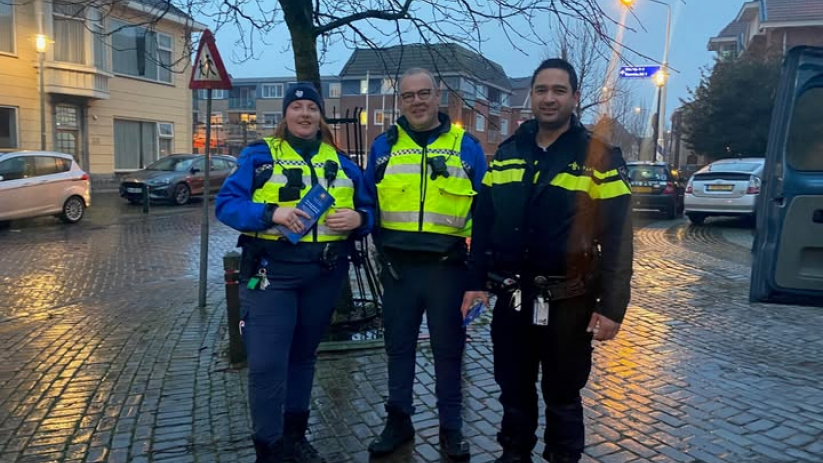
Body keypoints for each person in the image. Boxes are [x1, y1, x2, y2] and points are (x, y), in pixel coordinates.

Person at [461, 58, 633, 463]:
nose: (549, 98)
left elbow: (619, 239)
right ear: (531, 96)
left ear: (574, 98)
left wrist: (612, 308)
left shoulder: (598, 157)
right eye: (541, 90)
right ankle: (514, 455)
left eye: (559, 90)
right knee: (513, 391)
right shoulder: (506, 153)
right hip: (512, 300)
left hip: (569, 302)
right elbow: (482, 224)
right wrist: (475, 282)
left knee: (562, 395)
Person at [216, 82, 374, 463]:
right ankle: (268, 448)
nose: (304, 113)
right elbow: (226, 205)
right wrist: (271, 213)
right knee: (268, 362)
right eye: (297, 106)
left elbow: (372, 211)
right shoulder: (260, 156)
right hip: (271, 272)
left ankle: (295, 439)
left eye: (311, 107)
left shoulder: (343, 162)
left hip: (324, 274)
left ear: (320, 115)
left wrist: (360, 218)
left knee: (304, 356)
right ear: (285, 115)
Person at [363, 67, 487, 461]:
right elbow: (367, 203)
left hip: (447, 269)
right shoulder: (382, 147)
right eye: (409, 95)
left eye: (425, 93)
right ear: (400, 101)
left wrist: (478, 274)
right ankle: (399, 421)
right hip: (398, 270)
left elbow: (485, 213)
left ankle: (451, 428)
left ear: (438, 97)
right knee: (397, 349)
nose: (417, 101)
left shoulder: (466, 146)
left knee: (448, 351)